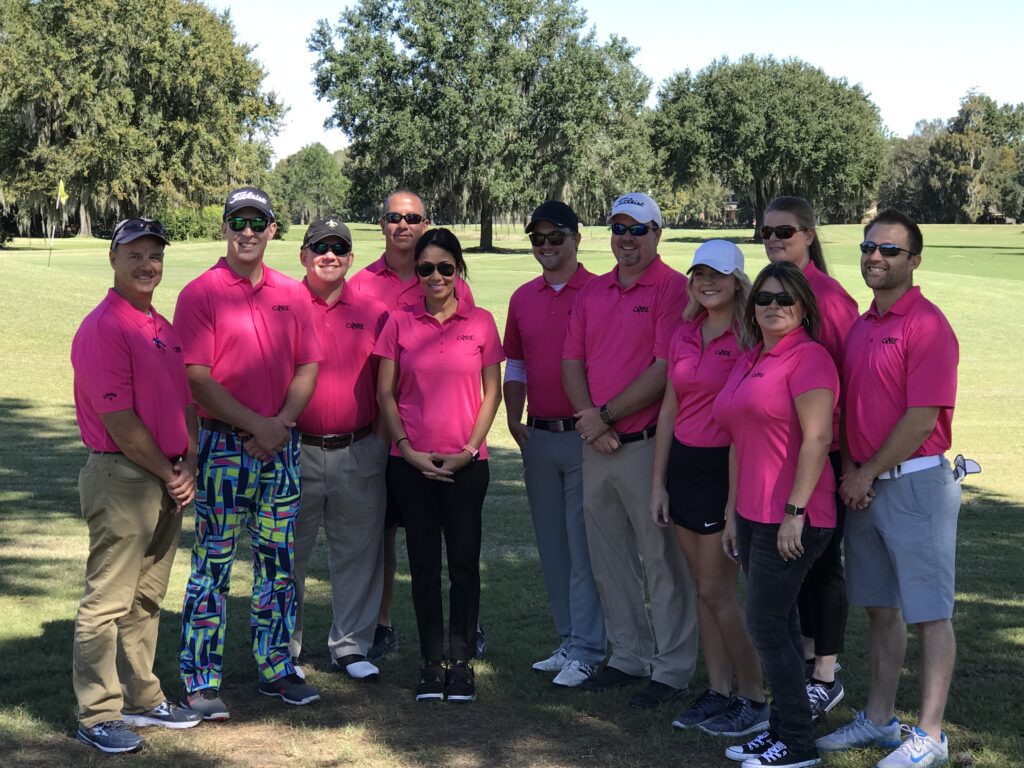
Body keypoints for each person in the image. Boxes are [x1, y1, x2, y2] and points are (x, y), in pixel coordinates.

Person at [817, 209, 960, 768]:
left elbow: (922, 419)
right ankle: (878, 720)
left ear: (914, 260)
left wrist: (865, 471)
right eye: (868, 247)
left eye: (890, 251)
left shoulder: (927, 324)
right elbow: (851, 409)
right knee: (880, 609)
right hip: (867, 486)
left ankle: (930, 734)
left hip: (914, 484)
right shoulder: (861, 324)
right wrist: (855, 472)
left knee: (930, 613)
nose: (875, 257)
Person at [174, 187, 323, 719]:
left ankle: (276, 667)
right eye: (238, 221)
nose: (247, 232)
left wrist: (278, 425)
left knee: (277, 563)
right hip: (222, 447)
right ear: (224, 227)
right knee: (213, 562)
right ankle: (200, 678)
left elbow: (308, 365)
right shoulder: (200, 293)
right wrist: (256, 425)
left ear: (271, 231)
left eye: (257, 223)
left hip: (280, 448)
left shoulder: (293, 293)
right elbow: (197, 378)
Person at [562, 192, 699, 708]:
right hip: (597, 444)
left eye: (637, 230)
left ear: (657, 234)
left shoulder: (672, 288)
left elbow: (665, 369)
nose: (626, 239)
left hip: (645, 445)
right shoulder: (593, 292)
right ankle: (628, 655)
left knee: (662, 559)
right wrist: (589, 422)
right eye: (618, 229)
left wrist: (607, 416)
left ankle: (672, 667)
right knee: (609, 558)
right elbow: (571, 362)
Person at [71, 218, 202, 753]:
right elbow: (121, 422)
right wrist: (172, 472)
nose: (147, 265)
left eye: (154, 255)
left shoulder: (160, 325)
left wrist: (189, 460)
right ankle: (97, 713)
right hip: (123, 477)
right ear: (113, 259)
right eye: (135, 255)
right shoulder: (105, 327)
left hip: (167, 476)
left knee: (146, 599)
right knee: (106, 601)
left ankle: (145, 698)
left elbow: (185, 404)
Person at [714, 261, 838, 768]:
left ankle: (798, 746)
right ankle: (785, 731)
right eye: (764, 299)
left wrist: (795, 512)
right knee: (779, 623)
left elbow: (818, 437)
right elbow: (739, 441)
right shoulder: (750, 359)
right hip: (751, 513)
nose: (773, 307)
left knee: (765, 624)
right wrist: (730, 513)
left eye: (784, 300)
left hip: (795, 516)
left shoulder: (809, 358)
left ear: (803, 306)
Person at [374, 228, 503, 703]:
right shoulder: (398, 321)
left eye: (445, 267)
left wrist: (469, 450)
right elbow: (385, 392)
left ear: (458, 269)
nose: (435, 276)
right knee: (424, 566)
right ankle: (432, 663)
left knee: (465, 566)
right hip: (411, 464)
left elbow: (493, 393)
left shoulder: (483, 322)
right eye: (425, 268)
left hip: (467, 465)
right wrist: (406, 448)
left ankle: (461, 661)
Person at [349, 189, 476, 660]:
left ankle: (466, 624)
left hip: (434, 434)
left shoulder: (449, 283)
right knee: (381, 532)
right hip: (375, 433)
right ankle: (382, 623)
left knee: (450, 533)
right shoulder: (360, 284)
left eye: (412, 218)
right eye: (393, 217)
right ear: (382, 223)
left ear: (425, 224)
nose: (402, 225)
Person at [649, 240, 768, 736]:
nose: (706, 281)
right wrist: (658, 482)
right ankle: (718, 691)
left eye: (717, 274)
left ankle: (755, 698)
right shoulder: (684, 332)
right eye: (699, 273)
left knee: (720, 592)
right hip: (684, 467)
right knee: (703, 590)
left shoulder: (750, 338)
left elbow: (746, 422)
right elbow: (670, 410)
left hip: (726, 469)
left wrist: (730, 499)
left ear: (738, 280)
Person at [762, 195, 859, 719]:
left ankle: (826, 673)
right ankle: (803, 659)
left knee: (823, 563)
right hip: (782, 451)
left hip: (827, 449)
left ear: (809, 235)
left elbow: (846, 374)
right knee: (794, 561)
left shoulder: (830, 297)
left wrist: (841, 456)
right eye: (767, 234)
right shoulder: (773, 289)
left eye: (785, 232)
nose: (775, 241)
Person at [503, 201, 605, 687]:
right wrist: (513, 415)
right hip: (539, 436)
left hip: (586, 437)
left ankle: (589, 647)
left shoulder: (602, 291)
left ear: (576, 238)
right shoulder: (523, 297)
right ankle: (568, 639)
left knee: (584, 548)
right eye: (537, 239)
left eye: (555, 237)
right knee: (553, 546)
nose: (546, 246)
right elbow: (517, 364)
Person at [290, 217, 390, 682]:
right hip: (295, 449)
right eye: (320, 247)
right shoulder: (282, 306)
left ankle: (350, 646)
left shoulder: (373, 312)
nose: (329, 255)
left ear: (350, 258)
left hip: (358, 448)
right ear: (304, 255)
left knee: (358, 553)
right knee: (289, 554)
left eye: (339, 248)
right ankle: (283, 649)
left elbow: (390, 387)